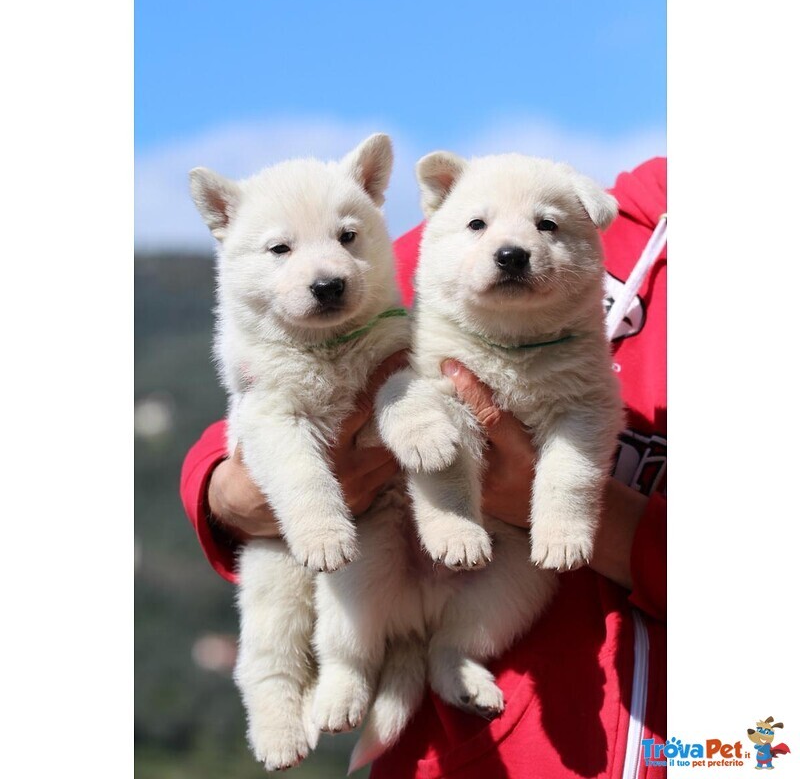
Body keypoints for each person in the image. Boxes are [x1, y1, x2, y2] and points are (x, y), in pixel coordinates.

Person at [180, 157, 667, 778]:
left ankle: (428, 655)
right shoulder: (471, 230)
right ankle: (329, 672)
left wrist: (594, 520)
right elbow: (228, 451)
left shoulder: (561, 217)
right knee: (303, 602)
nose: (328, 267)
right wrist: (229, 495)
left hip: (699, 744)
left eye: (345, 239)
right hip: (467, 754)